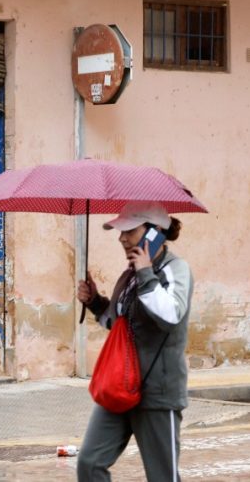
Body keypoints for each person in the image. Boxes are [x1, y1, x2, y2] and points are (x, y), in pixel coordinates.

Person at [76, 201, 193, 482]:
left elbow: (170, 316)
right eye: (121, 231)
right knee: (89, 463)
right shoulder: (129, 276)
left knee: (162, 476)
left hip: (157, 394)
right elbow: (118, 325)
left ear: (154, 233)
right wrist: (94, 302)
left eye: (130, 230)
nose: (122, 238)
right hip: (119, 386)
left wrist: (145, 273)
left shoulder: (175, 270)